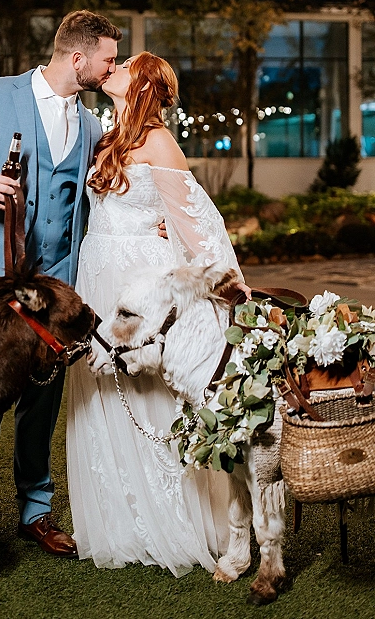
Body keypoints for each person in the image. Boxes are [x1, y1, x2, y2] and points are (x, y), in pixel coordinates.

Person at [0, 10, 122, 564]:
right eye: (107, 59)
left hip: (55, 285)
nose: (112, 70)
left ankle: (35, 510)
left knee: (42, 399)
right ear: (77, 58)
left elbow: (101, 194)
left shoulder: (89, 125)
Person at [66, 51, 249, 576]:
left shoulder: (162, 143)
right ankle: (119, 519)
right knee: (100, 392)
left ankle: (179, 518)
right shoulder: (105, 135)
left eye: (123, 65)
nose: (113, 68)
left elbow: (195, 225)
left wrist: (224, 285)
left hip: (139, 280)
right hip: (98, 275)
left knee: (152, 394)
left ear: (142, 85)